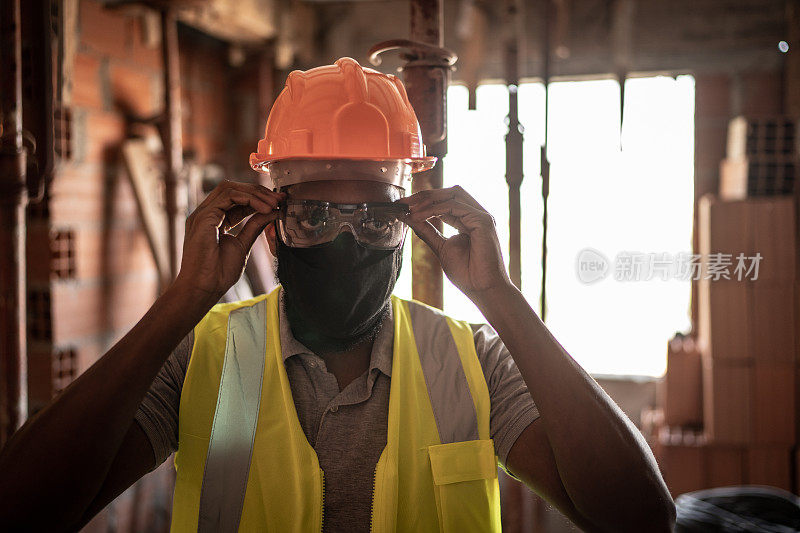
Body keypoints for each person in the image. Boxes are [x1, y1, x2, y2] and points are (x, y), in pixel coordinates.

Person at [0, 57, 674, 532]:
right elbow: (22, 509)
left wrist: (499, 297)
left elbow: (639, 514)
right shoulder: (205, 357)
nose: (346, 244)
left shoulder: (470, 362)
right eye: (315, 216)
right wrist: (185, 299)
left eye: (376, 219)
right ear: (269, 227)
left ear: (411, 225)